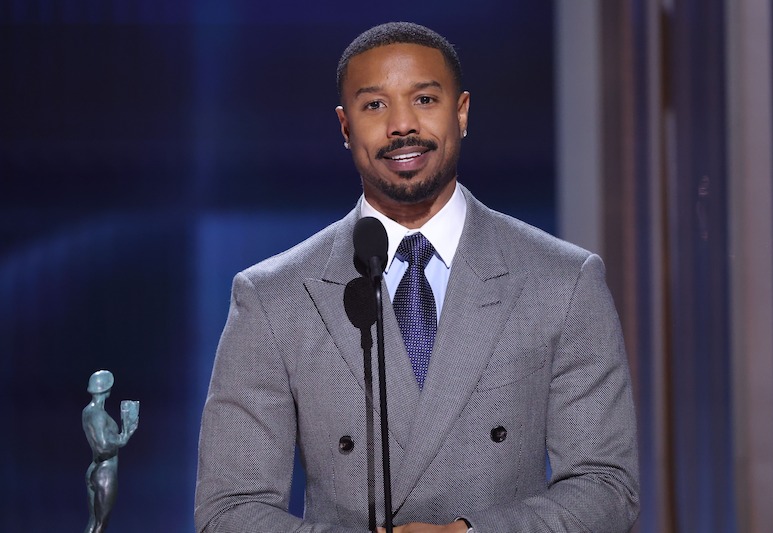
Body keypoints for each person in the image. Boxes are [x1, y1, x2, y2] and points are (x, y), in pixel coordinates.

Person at [195, 22, 639, 533]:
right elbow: (229, 511)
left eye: (425, 99)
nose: (402, 125)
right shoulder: (274, 298)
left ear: (462, 111)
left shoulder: (562, 282)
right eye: (375, 106)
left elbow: (607, 486)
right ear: (345, 127)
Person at [82, 370, 138, 533]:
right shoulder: (99, 415)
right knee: (101, 524)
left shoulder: (88, 412)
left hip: (95, 469)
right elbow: (103, 446)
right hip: (105, 471)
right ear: (105, 389)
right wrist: (124, 437)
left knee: (94, 522)